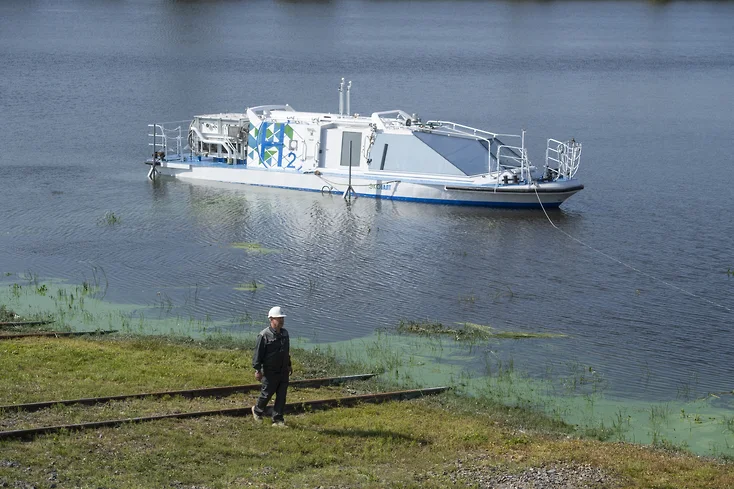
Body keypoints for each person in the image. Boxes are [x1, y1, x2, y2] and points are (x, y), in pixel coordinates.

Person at [251, 306, 292, 427]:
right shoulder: (264, 335)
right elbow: (258, 354)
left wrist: (289, 364)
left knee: (282, 396)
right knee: (267, 393)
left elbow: (286, 351)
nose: (281, 321)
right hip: (270, 371)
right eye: (279, 318)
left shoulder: (285, 333)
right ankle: (257, 410)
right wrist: (258, 370)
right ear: (271, 319)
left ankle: (278, 419)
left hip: (283, 370)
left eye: (282, 318)